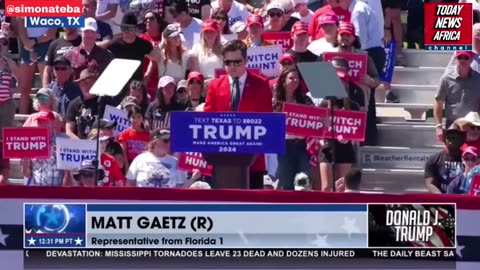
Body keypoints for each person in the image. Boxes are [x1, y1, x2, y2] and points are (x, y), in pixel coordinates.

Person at [204, 39, 272, 189]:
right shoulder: (215, 86)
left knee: (253, 205)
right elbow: (208, 119)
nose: (232, 67)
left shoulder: (261, 85)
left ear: (246, 60)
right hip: (221, 159)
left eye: (237, 62)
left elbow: (267, 120)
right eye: (228, 62)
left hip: (252, 160)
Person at [273, 67, 313, 190]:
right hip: (284, 146)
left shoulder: (305, 100)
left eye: (297, 78)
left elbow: (314, 119)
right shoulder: (275, 102)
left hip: (302, 145)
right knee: (287, 182)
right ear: (283, 80)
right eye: (291, 78)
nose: (295, 80)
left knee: (304, 180)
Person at [126, 128, 200, 187]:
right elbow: (129, 185)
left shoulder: (176, 162)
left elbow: (181, 190)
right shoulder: (140, 159)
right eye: (165, 141)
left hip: (167, 204)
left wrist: (192, 179)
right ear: (154, 142)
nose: (169, 144)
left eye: (171, 141)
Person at [107, 12, 154, 103]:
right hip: (118, 88)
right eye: (123, 28)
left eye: (129, 28)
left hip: (136, 89)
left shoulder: (144, 44)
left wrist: (146, 78)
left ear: (135, 29)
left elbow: (155, 60)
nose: (126, 31)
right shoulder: (115, 44)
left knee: (138, 114)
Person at [434, 51, 480, 142]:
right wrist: (438, 127)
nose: (462, 60)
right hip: (453, 125)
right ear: (455, 59)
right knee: (452, 155)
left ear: (471, 60)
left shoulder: (478, 79)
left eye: (466, 58)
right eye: (460, 57)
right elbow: (438, 104)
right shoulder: (446, 79)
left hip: (473, 127)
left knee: (472, 155)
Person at [16, 20, 56, 113]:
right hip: (27, 43)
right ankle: (23, 121)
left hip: (46, 43)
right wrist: (27, 44)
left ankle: (46, 116)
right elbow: (21, 27)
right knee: (24, 88)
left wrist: (34, 41)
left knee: (45, 86)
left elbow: (52, 32)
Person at [22, 109, 68, 186]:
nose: (42, 124)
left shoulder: (62, 142)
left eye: (45, 121)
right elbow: (27, 174)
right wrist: (24, 164)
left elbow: (67, 172)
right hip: (35, 190)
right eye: (40, 122)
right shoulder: (30, 142)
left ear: (53, 123)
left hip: (56, 190)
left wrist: (63, 191)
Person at [65, 69, 113, 139]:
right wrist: (82, 146)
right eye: (85, 83)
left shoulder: (105, 101)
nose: (88, 86)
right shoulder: (73, 104)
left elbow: (111, 128)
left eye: (91, 83)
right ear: (79, 85)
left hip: (100, 145)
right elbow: (69, 131)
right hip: (79, 147)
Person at [425, 124, 465, 194]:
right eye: (449, 137)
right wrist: (443, 198)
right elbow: (430, 184)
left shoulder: (469, 159)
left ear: (462, 140)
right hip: (441, 199)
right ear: (444, 140)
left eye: (455, 137)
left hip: (463, 199)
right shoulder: (433, 159)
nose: (451, 139)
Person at [140, 10, 166, 95]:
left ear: (158, 22)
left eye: (151, 18)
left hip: (161, 81)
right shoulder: (141, 39)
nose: (148, 21)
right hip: (145, 81)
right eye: (146, 19)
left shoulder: (165, 39)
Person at [0, 31, 18, 138]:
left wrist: (13, 90)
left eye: (4, 42)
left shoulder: (10, 63)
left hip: (7, 104)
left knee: (5, 134)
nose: (1, 45)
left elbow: (19, 80)